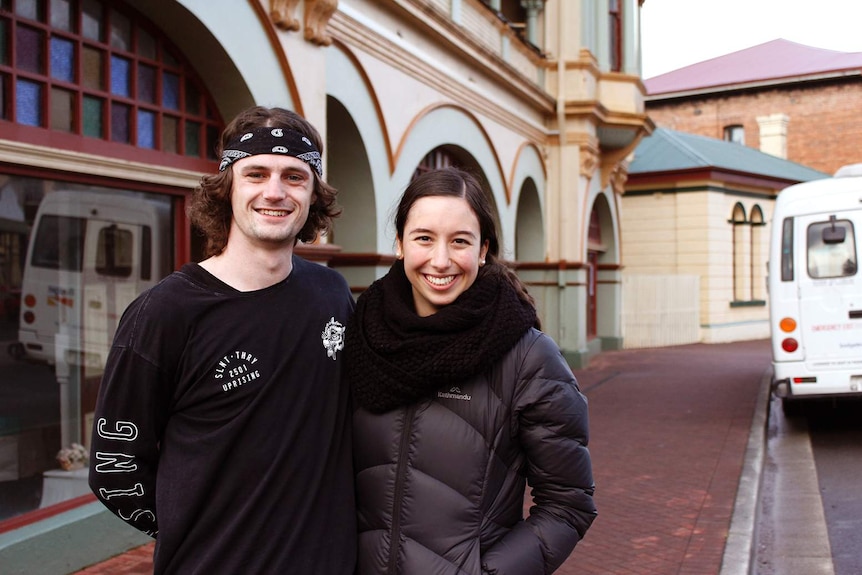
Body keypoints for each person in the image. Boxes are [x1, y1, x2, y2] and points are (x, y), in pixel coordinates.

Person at [89, 106, 356, 574]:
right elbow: (115, 468)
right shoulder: (165, 313)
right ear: (228, 187)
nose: (275, 191)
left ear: (314, 195)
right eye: (256, 173)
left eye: (294, 176)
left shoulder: (331, 294)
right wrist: (195, 532)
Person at [345, 167, 596, 574]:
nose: (440, 260)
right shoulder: (361, 333)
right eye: (424, 238)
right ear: (399, 244)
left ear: (482, 250)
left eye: (459, 241)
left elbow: (569, 504)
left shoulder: (528, 357)